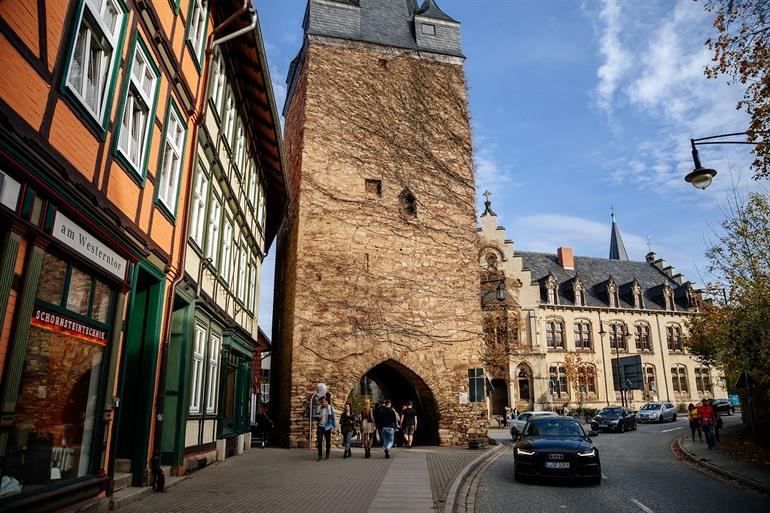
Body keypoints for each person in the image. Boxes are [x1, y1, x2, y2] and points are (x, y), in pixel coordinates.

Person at [315, 396, 336, 461]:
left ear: (327, 403)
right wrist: (318, 417)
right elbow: (314, 416)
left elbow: (333, 418)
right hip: (320, 427)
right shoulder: (319, 408)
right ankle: (320, 456)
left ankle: (327, 455)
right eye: (323, 402)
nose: (324, 403)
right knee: (319, 441)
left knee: (328, 442)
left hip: (327, 427)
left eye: (325, 402)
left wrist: (334, 427)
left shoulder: (330, 409)